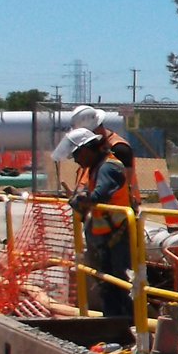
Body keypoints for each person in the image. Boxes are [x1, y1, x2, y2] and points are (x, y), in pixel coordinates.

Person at [55, 127, 134, 318]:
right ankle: (114, 324)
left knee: (118, 284)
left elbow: (101, 194)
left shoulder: (108, 167)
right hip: (108, 238)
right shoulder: (96, 168)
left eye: (76, 155)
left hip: (117, 236)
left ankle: (126, 326)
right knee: (108, 284)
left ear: (85, 150)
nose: (75, 160)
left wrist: (82, 200)